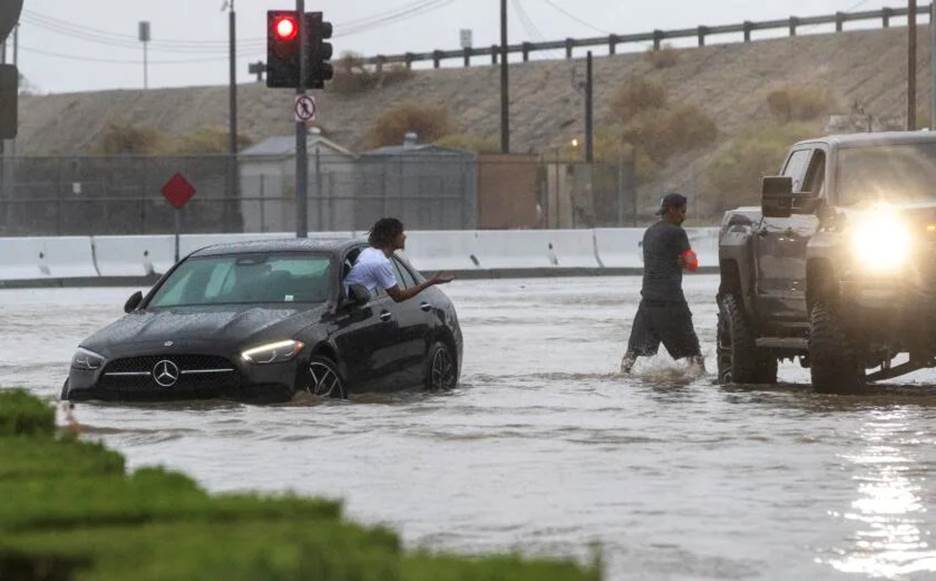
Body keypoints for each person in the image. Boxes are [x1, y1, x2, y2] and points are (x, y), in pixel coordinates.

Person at [620, 193, 704, 373]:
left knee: (631, 356)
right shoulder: (677, 232)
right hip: (671, 303)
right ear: (672, 210)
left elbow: (660, 259)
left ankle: (622, 383)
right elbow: (692, 264)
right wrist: (685, 261)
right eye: (682, 211)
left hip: (648, 303)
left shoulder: (649, 232)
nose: (684, 216)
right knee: (695, 358)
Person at [345, 217, 453, 302]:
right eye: (401, 233)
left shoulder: (368, 252)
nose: (404, 236)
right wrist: (431, 281)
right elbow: (398, 297)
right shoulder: (380, 263)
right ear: (391, 237)